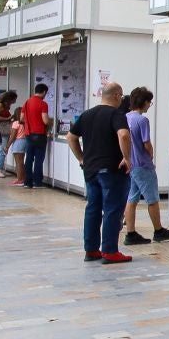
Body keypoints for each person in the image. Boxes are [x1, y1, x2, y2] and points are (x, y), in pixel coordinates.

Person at [69, 82, 133, 264]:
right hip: (112, 169)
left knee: (93, 208)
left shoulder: (87, 114)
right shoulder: (116, 114)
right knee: (113, 209)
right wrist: (127, 157)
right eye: (120, 96)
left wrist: (81, 158)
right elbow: (123, 135)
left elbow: (71, 137)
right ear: (116, 96)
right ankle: (110, 251)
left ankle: (91, 250)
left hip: (90, 170)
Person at [121, 87, 169, 246]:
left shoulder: (125, 117)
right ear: (144, 102)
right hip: (143, 165)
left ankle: (130, 232)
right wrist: (151, 154)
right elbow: (146, 144)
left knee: (131, 199)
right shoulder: (142, 120)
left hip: (131, 164)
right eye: (149, 102)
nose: (149, 105)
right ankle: (159, 230)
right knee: (152, 199)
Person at [19, 82, 51, 187]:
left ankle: (27, 181)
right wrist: (51, 123)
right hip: (40, 134)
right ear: (44, 92)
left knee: (29, 158)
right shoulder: (43, 104)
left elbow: (21, 118)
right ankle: (37, 182)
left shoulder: (27, 102)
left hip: (29, 134)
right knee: (39, 159)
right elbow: (45, 121)